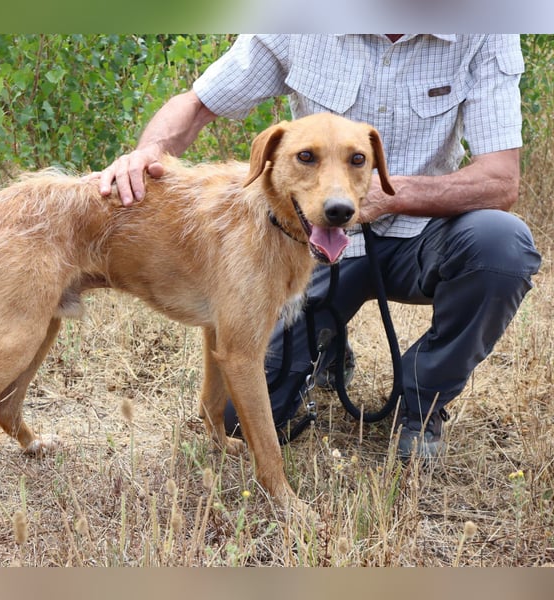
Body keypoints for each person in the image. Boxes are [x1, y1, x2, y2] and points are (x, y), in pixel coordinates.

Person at [98, 34, 542, 459]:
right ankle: (328, 341)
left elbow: (500, 180)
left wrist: (388, 196)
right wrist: (147, 153)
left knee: (501, 246)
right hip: (310, 244)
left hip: (423, 236)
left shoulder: (484, 27)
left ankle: (424, 402)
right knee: (244, 414)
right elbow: (197, 105)